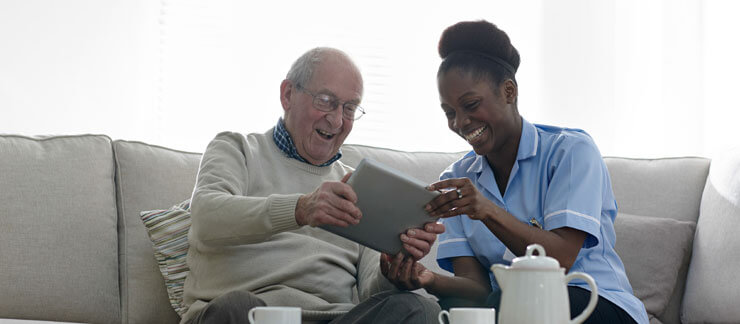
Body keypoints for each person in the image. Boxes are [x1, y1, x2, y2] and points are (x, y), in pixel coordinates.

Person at [381, 20, 649, 324]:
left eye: (470, 104)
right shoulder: (457, 178)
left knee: (513, 305)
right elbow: (476, 289)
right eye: (449, 113)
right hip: (512, 309)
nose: (460, 122)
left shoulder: (570, 152)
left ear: (508, 91)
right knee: (460, 310)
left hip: (594, 304)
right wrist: (427, 279)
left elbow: (560, 259)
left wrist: (486, 210)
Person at [181, 47, 444, 324]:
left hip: (334, 320)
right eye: (326, 101)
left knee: (420, 309)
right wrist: (300, 209)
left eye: (349, 108)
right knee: (236, 307)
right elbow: (206, 218)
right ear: (287, 94)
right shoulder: (237, 149)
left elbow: (371, 292)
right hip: (248, 315)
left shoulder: (359, 186)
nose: (337, 120)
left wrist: (391, 271)